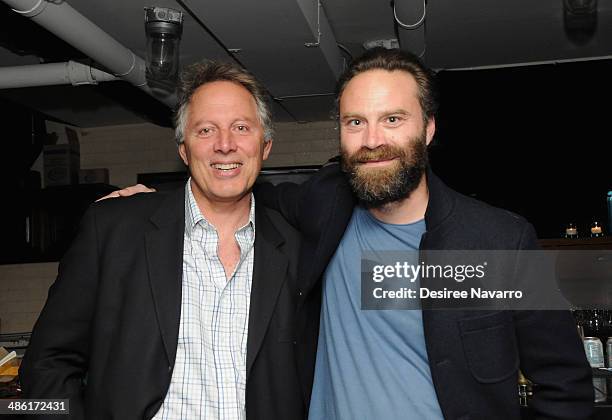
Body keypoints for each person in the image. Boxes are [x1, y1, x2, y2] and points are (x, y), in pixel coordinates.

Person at [109, 48, 594, 419]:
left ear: (427, 129)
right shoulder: (325, 207)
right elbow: (239, 187)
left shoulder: (495, 241)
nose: (373, 140)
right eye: (355, 122)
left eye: (393, 119)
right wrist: (157, 198)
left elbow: (565, 384)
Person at [19, 61, 312, 420]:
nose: (225, 145)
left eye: (241, 127)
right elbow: (47, 364)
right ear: (184, 150)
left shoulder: (299, 248)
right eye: (205, 130)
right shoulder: (113, 229)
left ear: (265, 146)